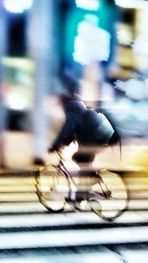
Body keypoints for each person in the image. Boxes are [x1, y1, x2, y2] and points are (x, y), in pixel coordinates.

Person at [48, 73, 116, 202]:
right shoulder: (77, 105)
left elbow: (69, 128)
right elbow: (73, 129)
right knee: (84, 163)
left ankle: (92, 180)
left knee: (78, 158)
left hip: (95, 137)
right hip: (99, 135)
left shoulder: (72, 106)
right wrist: (64, 142)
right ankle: (80, 197)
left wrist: (56, 145)